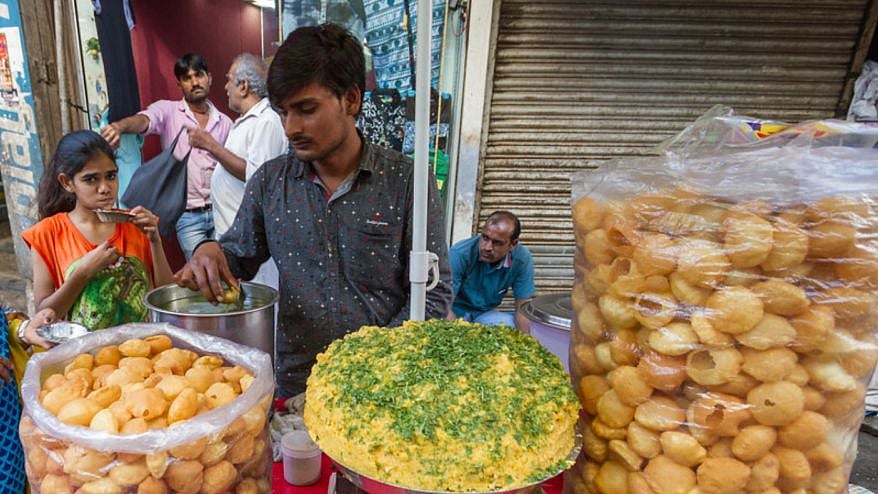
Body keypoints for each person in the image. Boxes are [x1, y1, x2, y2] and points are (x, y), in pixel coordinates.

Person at [175, 23, 452, 396]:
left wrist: (369, 361)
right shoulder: (271, 182)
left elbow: (433, 295)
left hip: (385, 385)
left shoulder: (407, 182)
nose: (290, 128)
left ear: (351, 100)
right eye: (283, 112)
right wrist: (209, 252)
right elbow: (238, 255)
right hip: (298, 385)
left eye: (306, 110)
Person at [22, 130, 174, 330]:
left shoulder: (136, 225)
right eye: (91, 179)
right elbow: (44, 318)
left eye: (111, 176)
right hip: (84, 356)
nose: (105, 188)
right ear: (67, 182)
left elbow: (166, 300)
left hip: (140, 350)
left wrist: (155, 241)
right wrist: (83, 272)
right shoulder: (46, 234)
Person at [100, 53, 233, 259]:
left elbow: (232, 166)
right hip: (188, 217)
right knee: (202, 273)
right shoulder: (169, 111)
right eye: (187, 78)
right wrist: (120, 126)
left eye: (199, 75)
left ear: (209, 78)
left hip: (222, 211)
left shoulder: (225, 123)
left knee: (227, 268)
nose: (195, 82)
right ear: (179, 84)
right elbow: (144, 120)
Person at [187, 53, 287, 288]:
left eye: (228, 79)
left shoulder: (266, 121)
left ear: (243, 86)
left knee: (262, 310)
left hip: (254, 247)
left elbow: (257, 178)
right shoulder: (246, 121)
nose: (224, 87)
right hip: (236, 242)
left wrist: (210, 145)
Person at [449, 211, 535, 331]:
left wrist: (528, 345)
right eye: (485, 238)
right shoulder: (459, 254)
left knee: (516, 328)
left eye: (497, 243)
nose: (487, 247)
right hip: (455, 313)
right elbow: (444, 307)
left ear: (513, 244)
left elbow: (523, 310)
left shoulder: (521, 259)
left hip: (484, 315)